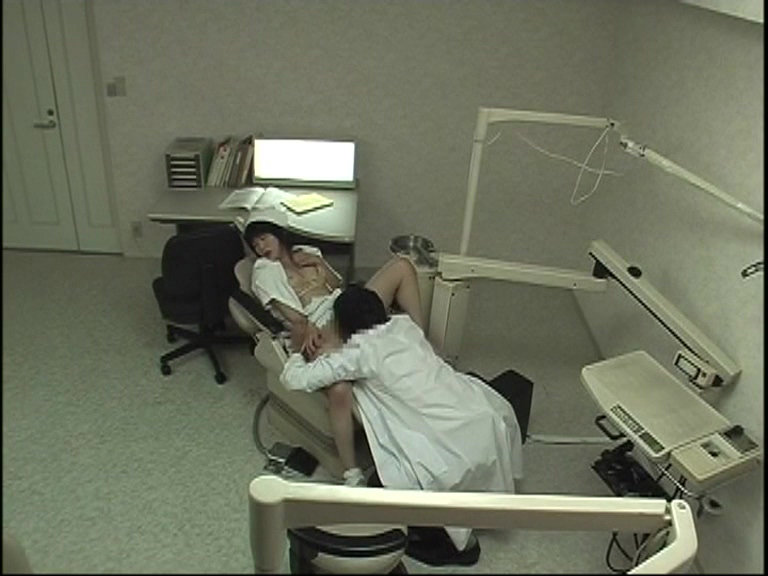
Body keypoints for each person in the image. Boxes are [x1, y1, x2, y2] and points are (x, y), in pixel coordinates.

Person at [280, 284, 525, 563]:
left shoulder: (361, 353)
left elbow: (294, 379)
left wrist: (299, 350)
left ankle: (455, 548)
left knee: (382, 487)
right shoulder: (404, 326)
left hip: (451, 447)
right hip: (481, 420)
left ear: (344, 327)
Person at [243, 217, 424, 486]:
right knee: (340, 389)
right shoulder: (265, 269)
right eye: (255, 244)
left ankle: (420, 340)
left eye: (263, 238)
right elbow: (294, 317)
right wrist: (306, 330)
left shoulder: (308, 252)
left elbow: (336, 285)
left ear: (278, 234)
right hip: (319, 324)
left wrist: (317, 262)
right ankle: (351, 473)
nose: (261, 247)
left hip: (346, 305)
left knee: (402, 267)